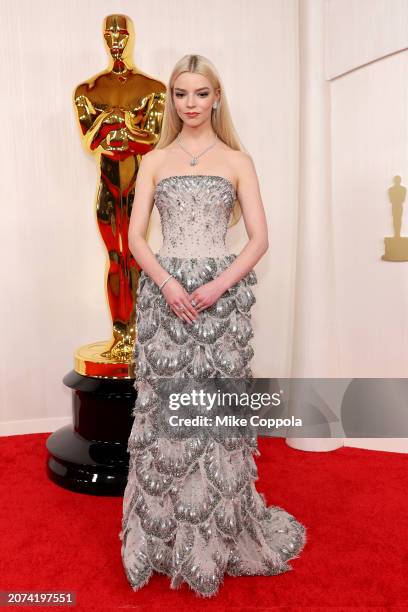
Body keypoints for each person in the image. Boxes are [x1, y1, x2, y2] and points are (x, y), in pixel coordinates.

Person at [119, 53, 307, 598]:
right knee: (163, 416)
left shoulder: (238, 160)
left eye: (201, 93)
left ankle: (216, 538)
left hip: (219, 301)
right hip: (166, 297)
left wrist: (218, 285)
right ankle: (161, 538)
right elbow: (134, 240)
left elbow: (259, 239)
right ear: (172, 100)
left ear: (216, 97)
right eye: (181, 94)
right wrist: (169, 285)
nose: (191, 103)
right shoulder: (154, 160)